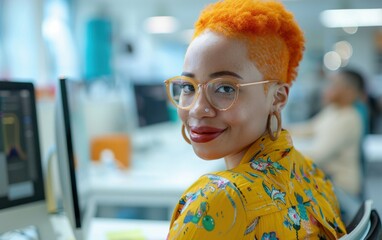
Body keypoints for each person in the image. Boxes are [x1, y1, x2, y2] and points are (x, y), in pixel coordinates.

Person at [164, 0, 346, 238]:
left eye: (225, 89)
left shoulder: (215, 202)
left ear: (277, 98)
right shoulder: (307, 171)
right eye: (188, 86)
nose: (197, 109)